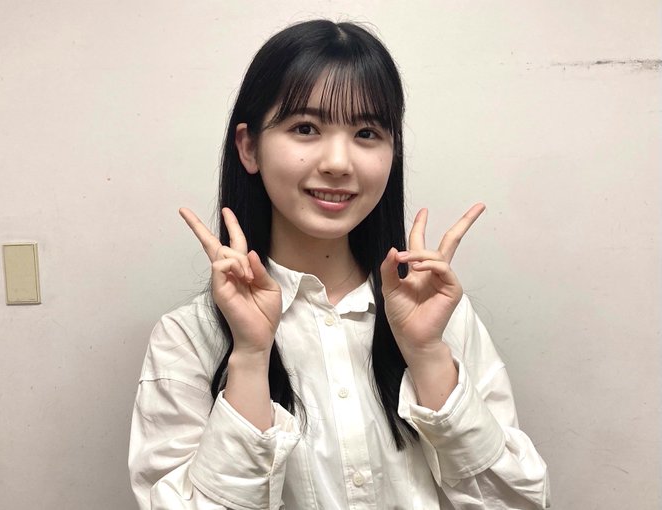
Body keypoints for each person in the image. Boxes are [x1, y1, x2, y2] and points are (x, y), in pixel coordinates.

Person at [128, 19, 550, 509]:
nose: (338, 163)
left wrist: (427, 355)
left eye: (366, 132)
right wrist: (250, 357)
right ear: (249, 147)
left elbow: (518, 503)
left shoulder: (442, 320)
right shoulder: (188, 338)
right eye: (305, 128)